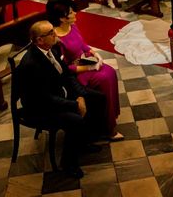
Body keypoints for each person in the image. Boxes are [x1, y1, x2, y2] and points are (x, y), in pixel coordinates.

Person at [16, 20, 107, 178]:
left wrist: (80, 95)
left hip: (57, 94)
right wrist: (74, 105)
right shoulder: (32, 64)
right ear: (39, 40)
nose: (55, 34)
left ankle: (84, 140)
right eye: (51, 33)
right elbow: (44, 98)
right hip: (40, 107)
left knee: (98, 98)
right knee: (75, 120)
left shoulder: (53, 48)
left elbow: (67, 74)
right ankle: (68, 164)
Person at [46, 0, 123, 141]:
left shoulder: (71, 25)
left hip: (82, 64)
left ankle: (108, 118)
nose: (75, 13)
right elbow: (65, 69)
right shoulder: (56, 39)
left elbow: (82, 44)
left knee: (111, 72)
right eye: (71, 12)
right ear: (62, 18)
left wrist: (93, 53)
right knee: (104, 79)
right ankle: (107, 129)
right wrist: (90, 68)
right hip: (74, 75)